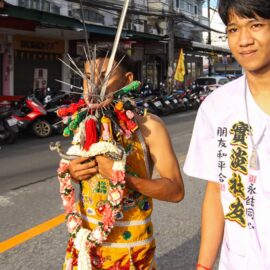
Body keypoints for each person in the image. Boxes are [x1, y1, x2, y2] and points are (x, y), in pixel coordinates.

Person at [62, 45, 184, 269]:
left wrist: (123, 178)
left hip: (131, 254)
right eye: (88, 78)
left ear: (128, 79)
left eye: (104, 77)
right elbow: (79, 178)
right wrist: (74, 172)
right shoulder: (84, 125)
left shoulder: (149, 127)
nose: (94, 86)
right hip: (85, 251)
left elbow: (175, 191)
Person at [184, 0, 270, 269]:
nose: (244, 40)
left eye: (256, 25)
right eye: (233, 29)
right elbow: (217, 189)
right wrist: (204, 265)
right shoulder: (217, 106)